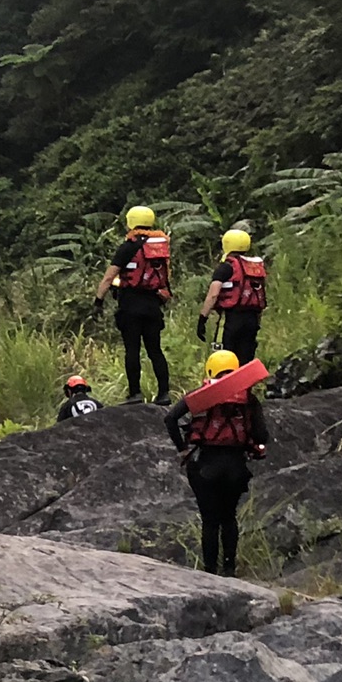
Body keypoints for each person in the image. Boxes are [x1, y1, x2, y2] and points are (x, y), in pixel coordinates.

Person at [168, 349, 269, 576]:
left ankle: (210, 571)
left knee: (210, 520)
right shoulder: (249, 400)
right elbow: (262, 435)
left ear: (211, 370)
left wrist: (182, 449)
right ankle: (230, 569)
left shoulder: (201, 396)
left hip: (206, 465)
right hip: (236, 467)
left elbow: (170, 419)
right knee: (229, 517)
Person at [93, 205, 172, 403]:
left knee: (132, 350)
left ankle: (135, 394)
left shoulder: (128, 247)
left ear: (131, 222)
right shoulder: (160, 248)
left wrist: (98, 301)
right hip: (153, 305)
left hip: (130, 305)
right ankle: (164, 393)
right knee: (155, 350)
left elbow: (109, 277)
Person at [198, 227, 268, 364]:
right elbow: (259, 296)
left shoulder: (226, 267)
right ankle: (246, 379)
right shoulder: (255, 268)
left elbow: (213, 295)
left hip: (231, 319)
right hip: (252, 320)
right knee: (245, 360)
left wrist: (203, 318)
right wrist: (257, 322)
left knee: (224, 359)